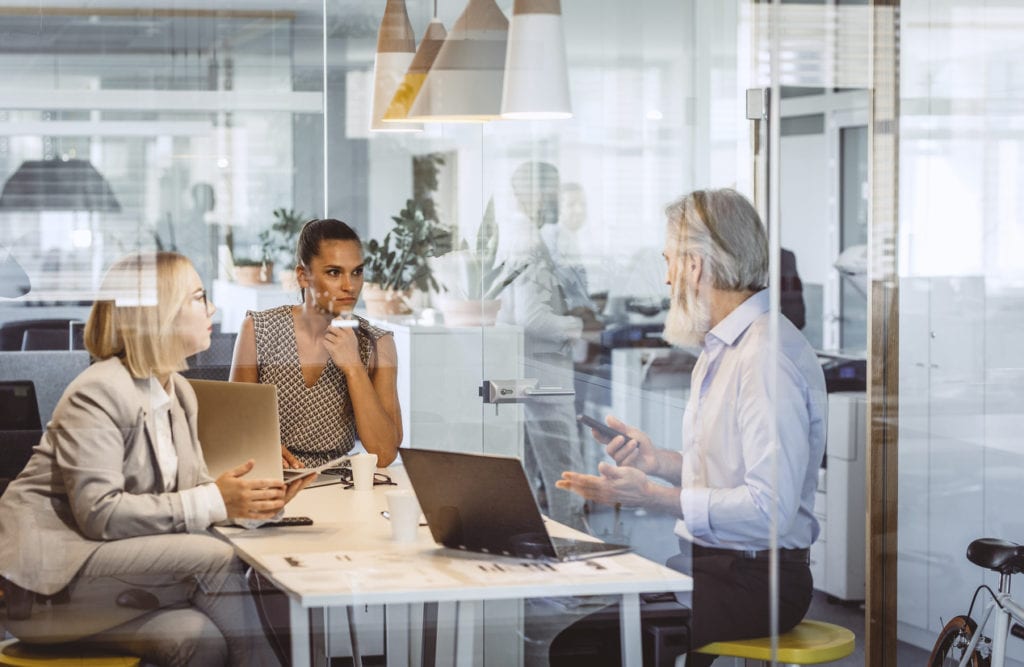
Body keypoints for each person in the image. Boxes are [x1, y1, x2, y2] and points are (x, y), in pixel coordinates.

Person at [556, 188, 827, 666]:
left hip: (757, 583)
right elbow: (728, 475)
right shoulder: (723, 348)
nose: (665, 278)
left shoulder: (764, 357)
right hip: (714, 568)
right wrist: (656, 462)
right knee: (589, 626)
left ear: (696, 266)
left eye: (669, 262)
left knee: (590, 647)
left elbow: (770, 509)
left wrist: (652, 497)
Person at [0, 251, 309, 666]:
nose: (212, 309)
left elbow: (193, 493)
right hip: (46, 590)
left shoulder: (177, 392)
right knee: (215, 557)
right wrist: (216, 500)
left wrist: (254, 503)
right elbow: (100, 514)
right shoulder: (98, 391)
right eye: (199, 298)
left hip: (111, 583)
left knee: (198, 638)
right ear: (161, 314)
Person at [230, 218, 402, 469]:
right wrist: (260, 447)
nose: (349, 285)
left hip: (340, 487)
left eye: (357, 272)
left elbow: (385, 454)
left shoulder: (377, 343)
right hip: (271, 478)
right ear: (303, 276)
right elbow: (234, 430)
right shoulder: (258, 330)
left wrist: (354, 368)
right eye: (334, 272)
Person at [498, 162, 588, 531]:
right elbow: (532, 319)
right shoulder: (530, 241)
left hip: (523, 372)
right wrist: (580, 326)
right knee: (567, 476)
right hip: (544, 376)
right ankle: (584, 573)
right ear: (530, 195)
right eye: (549, 192)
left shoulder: (513, 234)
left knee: (531, 474)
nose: (555, 199)